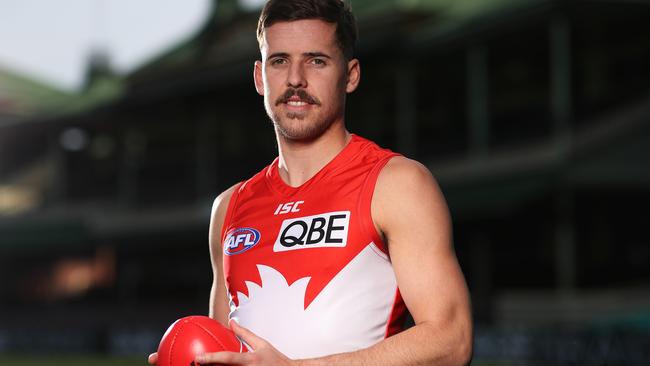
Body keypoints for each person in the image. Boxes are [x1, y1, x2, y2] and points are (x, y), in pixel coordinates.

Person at [149, 0, 472, 364]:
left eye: (316, 60)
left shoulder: (397, 184)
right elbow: (225, 350)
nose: (295, 79)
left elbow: (452, 341)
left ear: (350, 76)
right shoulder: (228, 208)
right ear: (260, 77)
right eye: (279, 60)